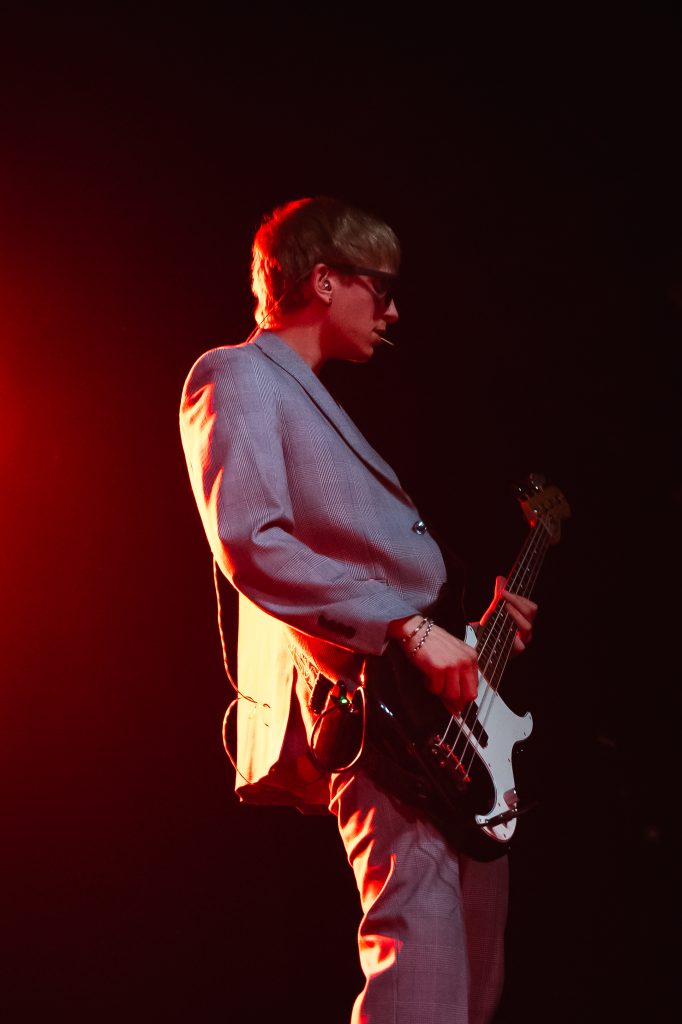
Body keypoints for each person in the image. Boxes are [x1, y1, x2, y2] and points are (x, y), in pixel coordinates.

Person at [179, 196, 537, 1024]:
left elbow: (369, 579)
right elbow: (251, 542)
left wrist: (472, 638)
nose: (394, 312)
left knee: (470, 986)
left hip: (432, 717)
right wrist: (409, 626)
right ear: (323, 280)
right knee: (421, 969)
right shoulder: (234, 374)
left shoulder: (315, 400)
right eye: (382, 288)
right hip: (378, 723)